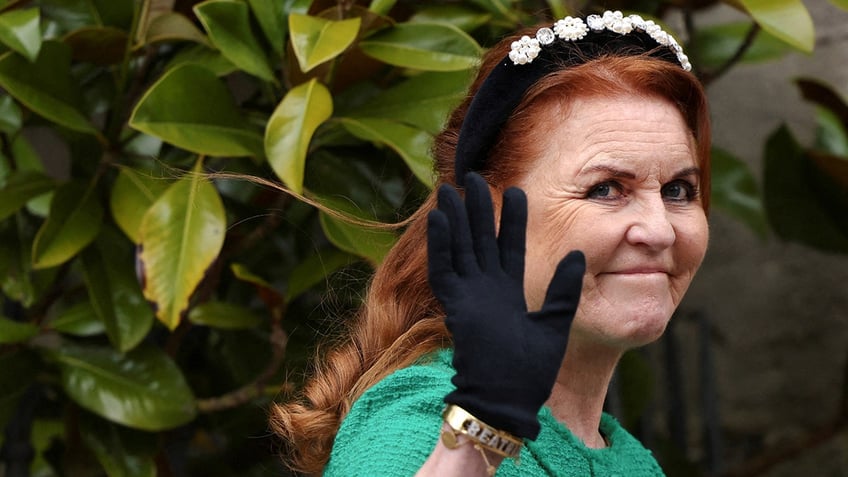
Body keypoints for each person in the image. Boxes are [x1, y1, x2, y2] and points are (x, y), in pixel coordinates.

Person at [272, 9, 711, 476]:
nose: (660, 230)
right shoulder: (422, 423)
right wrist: (480, 430)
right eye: (605, 189)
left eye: (678, 190)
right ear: (490, 215)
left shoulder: (631, 460)